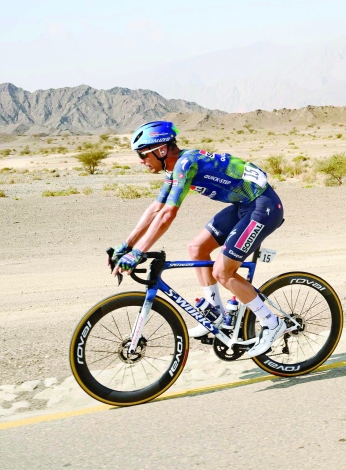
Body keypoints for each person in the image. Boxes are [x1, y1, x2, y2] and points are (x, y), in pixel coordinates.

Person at [111, 121, 286, 358]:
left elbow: (168, 214)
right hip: (244, 205)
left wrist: (138, 252)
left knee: (223, 272)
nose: (141, 160)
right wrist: (128, 245)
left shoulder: (186, 163)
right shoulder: (175, 168)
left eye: (143, 154)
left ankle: (272, 324)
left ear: (161, 151)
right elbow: (156, 208)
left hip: (263, 207)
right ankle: (217, 314)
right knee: (196, 248)